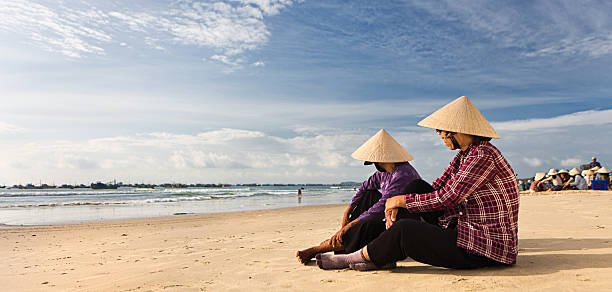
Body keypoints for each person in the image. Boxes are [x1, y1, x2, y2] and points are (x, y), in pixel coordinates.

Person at [315, 96, 518, 271]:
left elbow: (450, 197)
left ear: (455, 131)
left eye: (441, 131)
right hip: (464, 228)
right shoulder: (465, 155)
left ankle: (356, 257)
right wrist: (399, 200)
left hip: (484, 247)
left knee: (405, 228)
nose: (440, 136)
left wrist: (401, 200)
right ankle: (383, 253)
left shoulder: (482, 155)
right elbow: (438, 186)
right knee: (416, 187)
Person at [296, 129, 421, 264]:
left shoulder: (403, 173)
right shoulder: (383, 173)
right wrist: (347, 213)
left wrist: (349, 226)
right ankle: (345, 238)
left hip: (404, 219)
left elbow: (382, 206)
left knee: (367, 223)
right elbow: (364, 188)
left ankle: (319, 248)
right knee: (368, 195)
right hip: (387, 213)